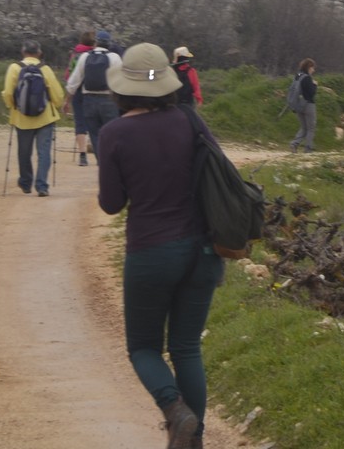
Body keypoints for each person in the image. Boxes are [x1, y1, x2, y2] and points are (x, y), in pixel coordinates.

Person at [97, 43, 224, 449]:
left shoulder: (114, 133)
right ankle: (193, 440)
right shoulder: (190, 119)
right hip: (203, 250)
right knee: (186, 348)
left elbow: (111, 204)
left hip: (151, 251)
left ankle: (174, 409)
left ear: (122, 88)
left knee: (143, 348)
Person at [2, 41, 67, 196]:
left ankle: (25, 183)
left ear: (23, 52)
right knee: (44, 152)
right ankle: (42, 186)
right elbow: (57, 94)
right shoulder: (45, 69)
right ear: (39, 53)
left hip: (22, 118)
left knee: (24, 152)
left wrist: (13, 107)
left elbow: (8, 93)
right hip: (45, 117)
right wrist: (57, 105)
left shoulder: (14, 68)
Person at [67, 34, 124, 165]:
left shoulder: (84, 57)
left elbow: (73, 82)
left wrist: (67, 99)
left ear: (96, 43)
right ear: (109, 44)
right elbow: (121, 79)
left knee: (94, 134)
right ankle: (111, 161)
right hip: (109, 100)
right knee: (112, 132)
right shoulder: (114, 57)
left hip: (89, 100)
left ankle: (101, 161)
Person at [66, 30, 95, 164]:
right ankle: (97, 150)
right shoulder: (95, 55)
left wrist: (68, 98)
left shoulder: (76, 54)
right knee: (95, 121)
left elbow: (70, 74)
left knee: (80, 122)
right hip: (93, 92)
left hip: (78, 92)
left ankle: (82, 155)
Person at [288, 58, 318, 153]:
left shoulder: (298, 75)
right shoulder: (308, 78)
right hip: (308, 105)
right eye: (313, 68)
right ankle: (308, 148)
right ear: (309, 67)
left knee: (304, 127)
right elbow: (311, 93)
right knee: (311, 128)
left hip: (298, 104)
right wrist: (315, 85)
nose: (313, 70)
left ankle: (294, 144)